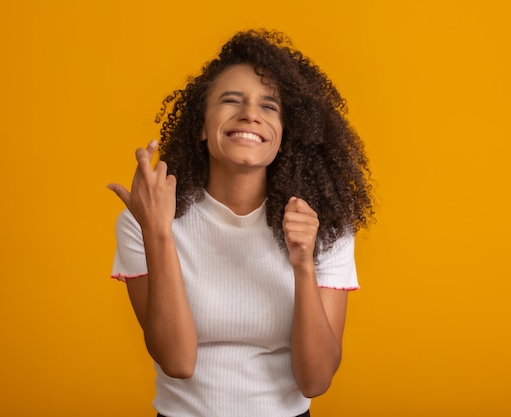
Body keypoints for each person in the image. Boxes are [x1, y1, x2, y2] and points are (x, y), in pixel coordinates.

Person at [108, 29, 374, 417]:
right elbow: (178, 362)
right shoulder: (147, 220)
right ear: (201, 126)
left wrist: (302, 264)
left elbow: (316, 381)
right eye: (231, 100)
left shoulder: (325, 226)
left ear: (283, 136)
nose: (250, 113)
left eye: (269, 107)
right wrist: (158, 233)